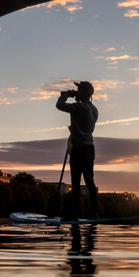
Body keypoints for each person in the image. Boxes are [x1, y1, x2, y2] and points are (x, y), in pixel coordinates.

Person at [56, 81, 99, 220]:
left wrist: (65, 95)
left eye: (79, 89)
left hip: (79, 149)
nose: (76, 91)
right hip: (90, 148)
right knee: (89, 182)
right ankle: (94, 213)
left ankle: (74, 214)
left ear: (85, 93)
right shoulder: (94, 109)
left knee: (75, 182)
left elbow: (59, 105)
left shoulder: (80, 107)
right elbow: (85, 124)